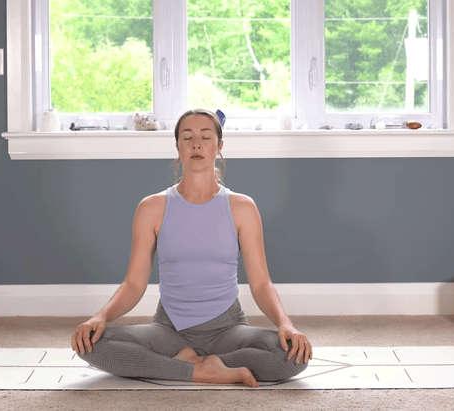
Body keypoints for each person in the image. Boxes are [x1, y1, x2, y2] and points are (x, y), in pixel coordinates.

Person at [71, 108, 312, 387]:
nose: (196, 144)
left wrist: (285, 323)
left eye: (205, 137)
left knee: (295, 356)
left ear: (219, 146)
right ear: (177, 147)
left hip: (228, 330)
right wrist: (99, 317)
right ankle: (203, 371)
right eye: (187, 137)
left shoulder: (242, 208)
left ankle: (181, 365)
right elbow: (134, 284)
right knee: (89, 343)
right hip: (168, 331)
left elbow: (261, 284)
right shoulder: (151, 208)